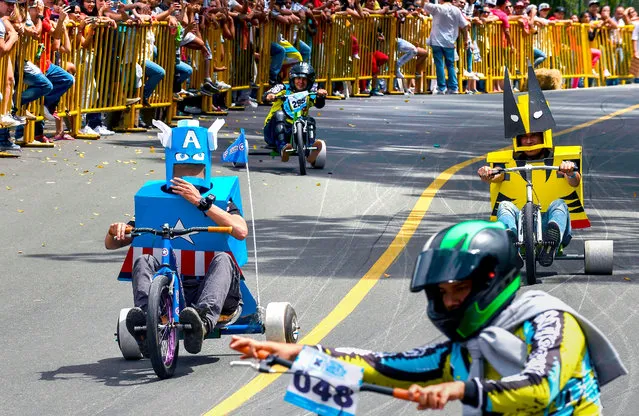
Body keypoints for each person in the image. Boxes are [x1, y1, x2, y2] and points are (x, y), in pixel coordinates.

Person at [230, 220, 626, 414]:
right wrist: (288, 354)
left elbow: (540, 385)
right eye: (442, 293)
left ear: (492, 279)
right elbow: (380, 367)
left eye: (460, 290)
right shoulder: (465, 351)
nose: (451, 302)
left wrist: (461, 390)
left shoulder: (550, 321)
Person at [106, 120, 248, 356]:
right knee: (143, 261)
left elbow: (240, 231)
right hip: (174, 290)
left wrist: (201, 203)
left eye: (194, 168)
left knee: (224, 258)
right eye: (182, 169)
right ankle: (144, 322)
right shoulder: (157, 200)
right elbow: (112, 244)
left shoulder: (221, 199)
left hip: (216, 294)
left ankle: (201, 323)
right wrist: (116, 231)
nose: (188, 175)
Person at [477, 65, 580, 267]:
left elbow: (575, 182)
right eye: (525, 137)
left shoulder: (560, 158)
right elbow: (497, 175)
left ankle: (551, 241)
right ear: (517, 140)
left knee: (559, 204)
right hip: (520, 223)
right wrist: (487, 173)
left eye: (534, 135)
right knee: (505, 206)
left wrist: (569, 170)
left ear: (544, 135)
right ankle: (510, 243)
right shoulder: (507, 160)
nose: (530, 140)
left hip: (550, 219)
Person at [262, 62, 326, 162]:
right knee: (279, 114)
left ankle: (310, 149)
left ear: (309, 81)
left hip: (296, 131)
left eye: (304, 79)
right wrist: (269, 96)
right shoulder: (283, 88)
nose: (301, 82)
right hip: (273, 131)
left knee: (310, 120)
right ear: (293, 79)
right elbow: (266, 95)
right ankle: (283, 147)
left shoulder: (310, 92)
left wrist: (320, 96)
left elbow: (319, 104)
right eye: (298, 78)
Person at [422, 0, 470, 94]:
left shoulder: (438, 8)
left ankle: (442, 87)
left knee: (439, 65)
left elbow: (424, 5)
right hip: (450, 42)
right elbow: (465, 25)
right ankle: (453, 87)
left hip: (437, 41)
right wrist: (466, 39)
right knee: (450, 65)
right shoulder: (456, 10)